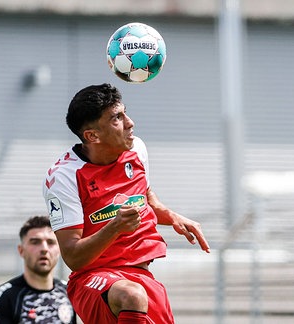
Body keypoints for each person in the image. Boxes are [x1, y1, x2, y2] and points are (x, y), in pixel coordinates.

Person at [42, 83, 210, 324]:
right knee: (131, 295)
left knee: (135, 294)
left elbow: (147, 200)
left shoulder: (137, 150)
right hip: (93, 279)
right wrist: (115, 226)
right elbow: (73, 257)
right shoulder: (64, 176)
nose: (130, 123)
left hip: (142, 276)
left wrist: (172, 216)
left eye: (125, 113)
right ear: (92, 135)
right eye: (116, 118)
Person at [0, 215, 77, 324]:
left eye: (50, 242)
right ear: (21, 250)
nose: (44, 249)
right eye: (35, 242)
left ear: (60, 249)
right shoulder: (5, 297)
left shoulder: (68, 292)